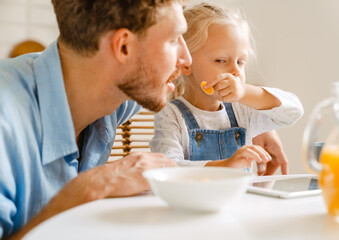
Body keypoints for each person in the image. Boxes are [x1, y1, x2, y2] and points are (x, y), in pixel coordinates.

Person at [0, 0, 192, 239]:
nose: (186, 60)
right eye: (174, 40)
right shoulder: (5, 124)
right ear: (123, 47)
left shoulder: (111, 89)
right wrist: (86, 191)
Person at [150, 3, 303, 174]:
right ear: (186, 65)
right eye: (221, 60)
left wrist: (246, 93)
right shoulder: (170, 115)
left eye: (240, 62)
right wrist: (225, 166)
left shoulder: (243, 109)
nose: (235, 71)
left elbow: (295, 111)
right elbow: (166, 168)